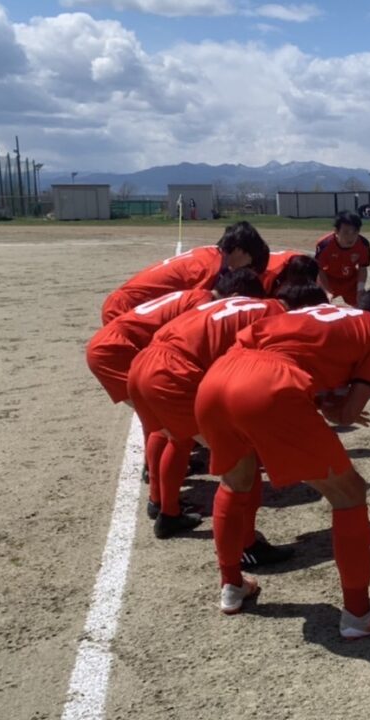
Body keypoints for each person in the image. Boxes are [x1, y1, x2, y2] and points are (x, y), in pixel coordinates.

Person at [194, 287, 370, 631]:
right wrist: (338, 408)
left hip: (217, 379)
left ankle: (231, 584)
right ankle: (359, 614)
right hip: (267, 385)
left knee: (235, 482)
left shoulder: (323, 313)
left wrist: (321, 401)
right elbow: (346, 415)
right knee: (350, 493)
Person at [128, 278, 325, 539]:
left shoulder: (252, 305)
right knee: (243, 459)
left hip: (144, 364)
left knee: (177, 438)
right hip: (173, 370)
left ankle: (166, 510)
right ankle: (246, 544)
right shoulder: (276, 318)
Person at [88, 269, 265, 518]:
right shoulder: (203, 304)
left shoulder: (198, 296)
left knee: (167, 428)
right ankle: (166, 507)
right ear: (235, 297)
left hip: (117, 344)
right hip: (119, 349)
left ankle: (159, 496)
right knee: (177, 432)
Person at [100, 221, 270, 324]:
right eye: (250, 259)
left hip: (127, 303)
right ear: (239, 251)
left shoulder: (209, 254)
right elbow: (196, 312)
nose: (248, 267)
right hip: (127, 307)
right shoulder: (209, 268)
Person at [314, 211, 370, 307]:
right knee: (315, 306)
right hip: (330, 280)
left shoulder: (364, 245)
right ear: (336, 231)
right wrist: (326, 291)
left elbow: (362, 268)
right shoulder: (324, 244)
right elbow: (319, 269)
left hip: (351, 281)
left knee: (364, 306)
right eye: (346, 232)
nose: (351, 237)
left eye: (355, 232)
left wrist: (360, 289)